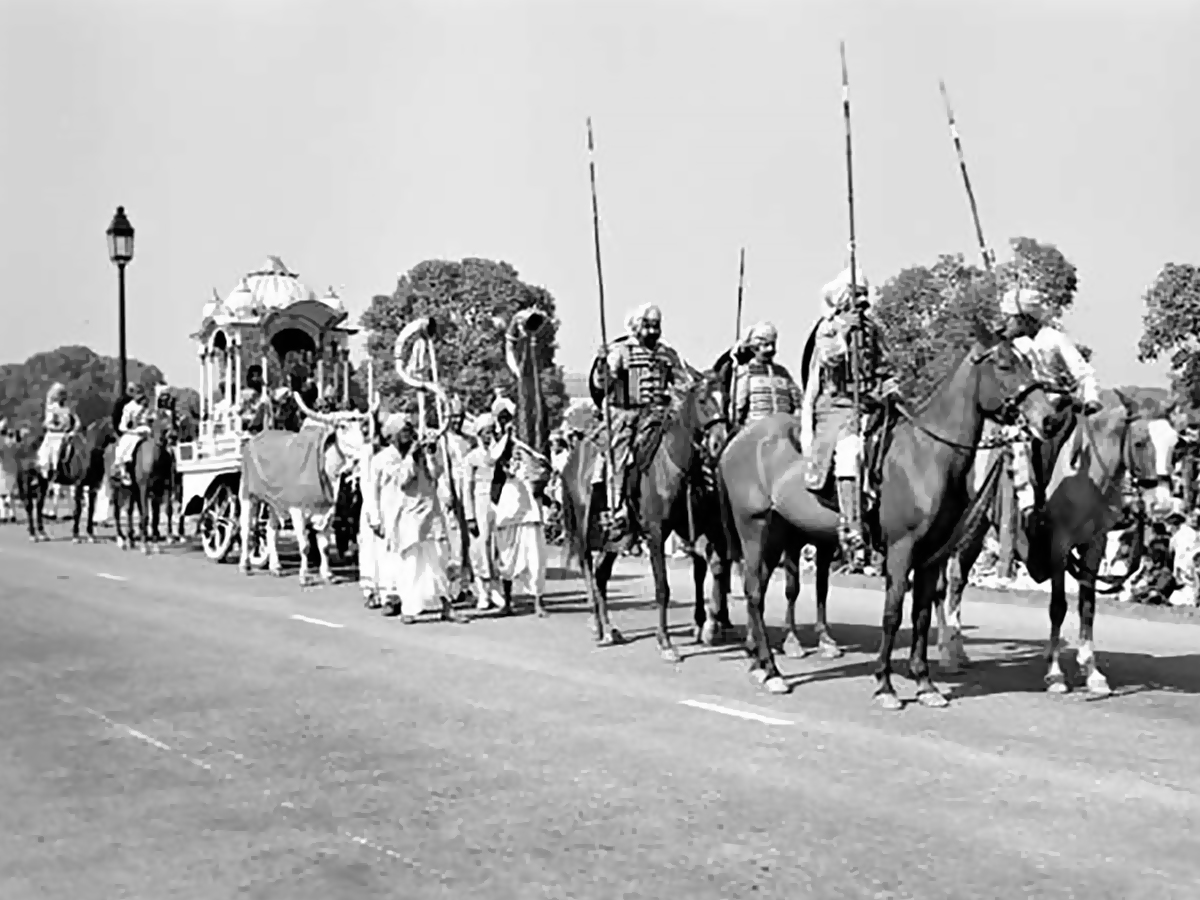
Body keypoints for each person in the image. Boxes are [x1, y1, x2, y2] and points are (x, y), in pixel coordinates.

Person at [799, 266, 901, 566]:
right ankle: (851, 526)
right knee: (849, 452)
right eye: (856, 295)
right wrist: (845, 330)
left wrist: (892, 388)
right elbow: (831, 358)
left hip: (870, 405)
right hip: (837, 407)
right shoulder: (828, 328)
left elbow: (884, 367)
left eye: (864, 295)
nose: (862, 301)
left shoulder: (873, 330)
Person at [589, 303, 693, 541]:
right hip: (626, 416)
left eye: (656, 326)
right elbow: (601, 383)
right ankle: (616, 511)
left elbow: (681, 382)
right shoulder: (620, 351)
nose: (653, 331)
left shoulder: (667, 354)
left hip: (660, 414)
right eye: (648, 326)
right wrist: (603, 365)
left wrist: (682, 396)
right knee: (620, 457)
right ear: (636, 327)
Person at [999, 285, 1102, 517]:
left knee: (1035, 442)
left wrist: (1092, 398)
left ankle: (1035, 500)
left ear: (1024, 319)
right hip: (1021, 405)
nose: (1006, 322)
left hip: (1054, 403)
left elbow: (1084, 373)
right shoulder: (1012, 346)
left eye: (1011, 318)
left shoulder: (1055, 339)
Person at [363, 411, 467, 624]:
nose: (409, 434)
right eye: (404, 431)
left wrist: (430, 454)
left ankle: (447, 606)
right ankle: (407, 608)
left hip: (430, 514)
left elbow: (435, 474)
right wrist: (374, 518)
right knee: (409, 566)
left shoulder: (418, 455)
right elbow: (401, 479)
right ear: (392, 436)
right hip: (404, 519)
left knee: (438, 561)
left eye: (410, 430)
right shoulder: (382, 459)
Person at [488, 394, 549, 616]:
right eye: (501, 417)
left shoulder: (528, 443)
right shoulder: (498, 441)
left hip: (530, 506)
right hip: (508, 503)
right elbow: (491, 458)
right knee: (507, 555)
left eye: (508, 417)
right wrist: (506, 437)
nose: (506, 421)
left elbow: (542, 465)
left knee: (535, 556)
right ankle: (507, 601)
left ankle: (538, 602)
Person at [462, 412, 504, 611]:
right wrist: (469, 515)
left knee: (497, 546)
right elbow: (466, 488)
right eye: (485, 432)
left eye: (492, 432)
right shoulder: (472, 457)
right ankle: (482, 591)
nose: (489, 436)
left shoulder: (500, 454)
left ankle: (496, 588)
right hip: (480, 502)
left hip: (498, 502)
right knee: (481, 546)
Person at [731, 321, 804, 428]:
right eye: (765, 345)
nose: (770, 349)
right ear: (754, 347)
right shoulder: (746, 372)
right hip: (756, 429)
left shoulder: (782, 372)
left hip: (784, 429)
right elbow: (738, 408)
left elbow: (798, 402)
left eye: (772, 344)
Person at [37, 382, 80, 482]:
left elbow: (76, 421)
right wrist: (54, 423)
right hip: (53, 434)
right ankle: (49, 471)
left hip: (65, 435)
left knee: (66, 448)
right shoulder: (51, 409)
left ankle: (65, 470)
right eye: (59, 395)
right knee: (47, 451)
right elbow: (47, 423)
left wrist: (73, 431)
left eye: (62, 395)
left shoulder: (68, 409)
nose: (61, 397)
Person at [112, 382, 154, 486]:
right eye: (138, 394)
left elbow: (150, 419)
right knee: (124, 444)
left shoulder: (147, 406)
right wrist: (132, 430)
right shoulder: (128, 407)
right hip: (133, 433)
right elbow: (122, 426)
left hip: (146, 431)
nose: (140, 398)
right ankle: (122, 471)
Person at [235, 365, 271, 434]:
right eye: (254, 376)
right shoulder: (245, 394)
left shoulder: (265, 397)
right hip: (249, 428)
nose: (256, 379)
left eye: (258, 376)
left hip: (261, 429)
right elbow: (240, 412)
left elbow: (269, 415)